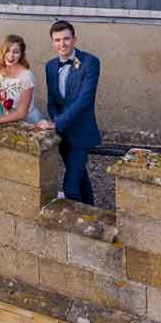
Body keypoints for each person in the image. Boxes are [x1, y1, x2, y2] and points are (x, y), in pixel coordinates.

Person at [36, 19, 100, 204]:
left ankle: (75, 228)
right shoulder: (50, 66)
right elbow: (52, 101)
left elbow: (85, 101)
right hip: (62, 135)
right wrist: (56, 124)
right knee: (81, 179)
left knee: (70, 186)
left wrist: (57, 122)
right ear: (52, 42)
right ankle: (91, 213)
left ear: (74, 39)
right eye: (57, 40)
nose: (62, 44)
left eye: (66, 39)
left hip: (81, 132)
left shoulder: (90, 62)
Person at [0, 34, 38, 126]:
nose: (11, 55)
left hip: (25, 121)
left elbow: (21, 113)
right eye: (7, 51)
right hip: (1, 117)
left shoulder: (26, 77)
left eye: (16, 52)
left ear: (21, 54)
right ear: (1, 52)